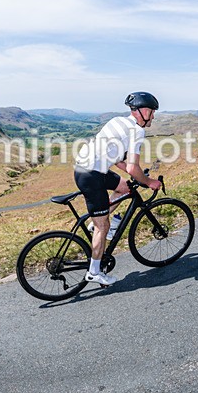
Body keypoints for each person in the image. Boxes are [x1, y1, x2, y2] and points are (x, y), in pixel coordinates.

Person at [73, 91, 162, 286]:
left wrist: (138, 177)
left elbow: (118, 159)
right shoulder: (137, 131)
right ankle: (94, 272)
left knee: (125, 187)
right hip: (92, 176)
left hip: (88, 168)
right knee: (101, 226)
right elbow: (131, 167)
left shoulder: (117, 121)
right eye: (152, 112)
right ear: (143, 111)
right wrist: (149, 182)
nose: (153, 116)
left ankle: (101, 223)